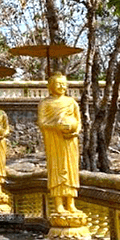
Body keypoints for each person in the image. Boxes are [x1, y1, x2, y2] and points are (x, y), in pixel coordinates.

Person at [37, 72, 81, 215]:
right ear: (50, 86)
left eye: (64, 84)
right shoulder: (45, 103)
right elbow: (42, 123)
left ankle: (70, 202)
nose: (62, 86)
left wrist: (75, 131)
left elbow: (78, 122)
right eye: (58, 84)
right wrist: (56, 125)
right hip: (54, 141)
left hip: (69, 141)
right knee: (57, 169)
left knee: (71, 170)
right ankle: (58, 204)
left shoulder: (71, 102)